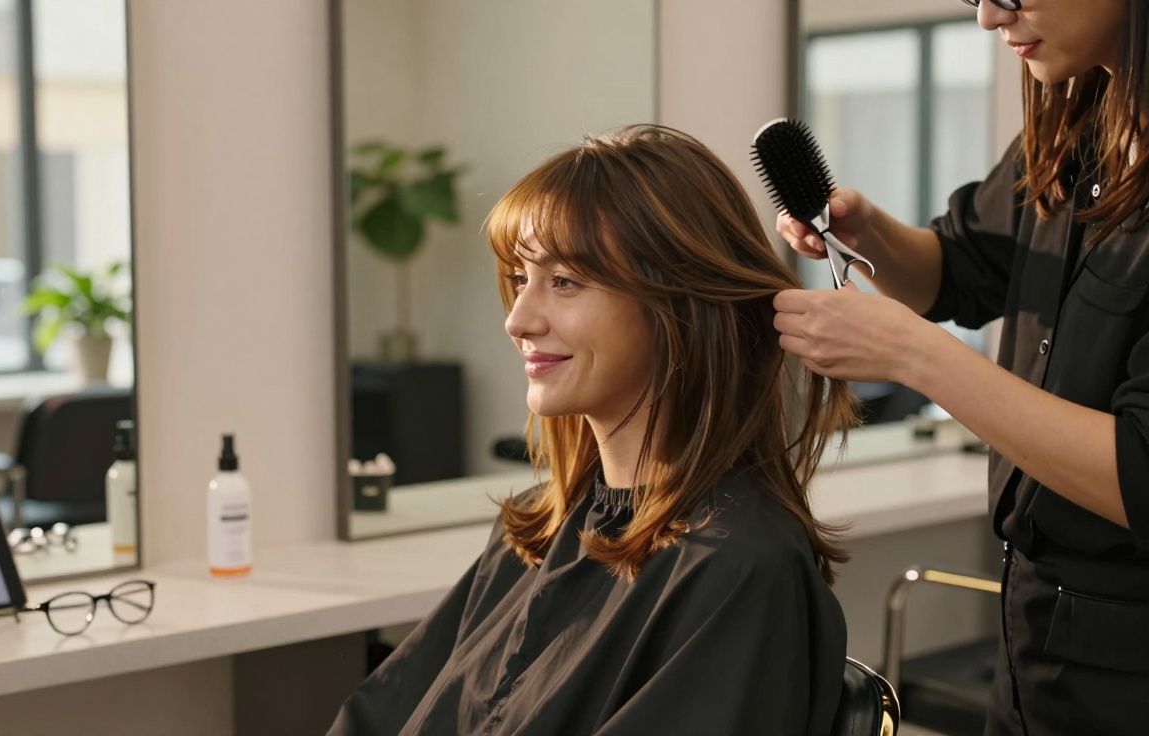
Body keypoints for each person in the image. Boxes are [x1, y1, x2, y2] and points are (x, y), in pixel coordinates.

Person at [330, 125, 859, 735]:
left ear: (678, 308)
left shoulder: (737, 570)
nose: (518, 320)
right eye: (521, 278)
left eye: (565, 282)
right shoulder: (539, 529)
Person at [773, 1, 1148, 733]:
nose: (987, 16)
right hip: (1033, 650)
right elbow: (959, 270)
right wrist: (867, 230)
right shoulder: (1081, 122)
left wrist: (915, 357)